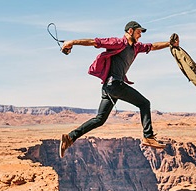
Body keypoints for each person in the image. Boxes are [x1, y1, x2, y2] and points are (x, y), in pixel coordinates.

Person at [59, 21, 180, 158]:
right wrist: (72, 42)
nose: (140, 35)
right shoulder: (118, 42)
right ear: (130, 31)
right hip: (114, 85)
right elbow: (94, 42)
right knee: (144, 103)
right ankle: (148, 136)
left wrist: (170, 44)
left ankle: (70, 138)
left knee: (99, 119)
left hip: (109, 87)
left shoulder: (136, 47)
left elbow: (152, 46)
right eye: (138, 32)